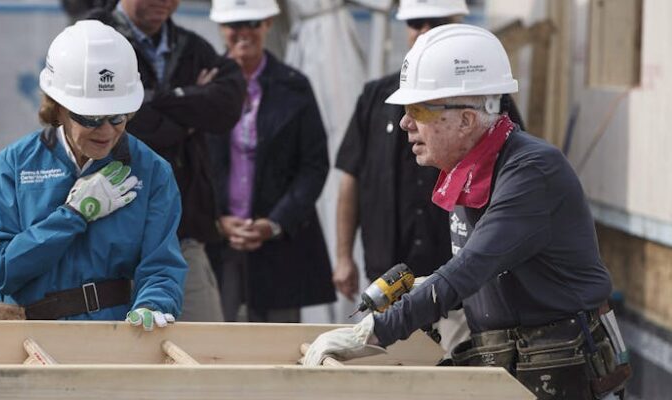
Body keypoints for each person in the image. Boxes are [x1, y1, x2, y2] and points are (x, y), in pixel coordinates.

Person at [304, 24, 630, 400]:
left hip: (564, 375)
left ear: (466, 119)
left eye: (418, 109)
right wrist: (427, 289)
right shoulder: (470, 171)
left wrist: (372, 332)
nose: (406, 123)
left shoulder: (532, 172)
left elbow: (470, 268)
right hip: (514, 367)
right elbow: (485, 274)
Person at [334, 0, 523, 354]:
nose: (424, 31)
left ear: (473, 117)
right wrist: (343, 256)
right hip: (393, 275)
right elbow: (351, 177)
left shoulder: (513, 147)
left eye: (434, 21)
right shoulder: (376, 97)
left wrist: (375, 330)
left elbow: (476, 259)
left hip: (457, 290)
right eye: (416, 22)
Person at [0, 20, 186, 331]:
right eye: (91, 118)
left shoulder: (152, 171)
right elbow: (0, 270)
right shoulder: (15, 163)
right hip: (24, 333)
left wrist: (152, 303)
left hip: (111, 335)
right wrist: (73, 215)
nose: (106, 131)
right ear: (58, 106)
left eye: (118, 116)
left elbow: (161, 266)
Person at [90, 0, 247, 322]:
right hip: (107, 237)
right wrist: (189, 111)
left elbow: (228, 105)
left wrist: (156, 101)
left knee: (209, 354)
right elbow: (112, 123)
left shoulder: (190, 45)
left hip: (183, 235)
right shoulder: (92, 38)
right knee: (115, 353)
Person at [205, 0, 335, 323]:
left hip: (281, 245)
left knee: (280, 349)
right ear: (221, 28)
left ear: (267, 24)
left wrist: (275, 222)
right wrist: (215, 220)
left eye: (252, 22)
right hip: (216, 244)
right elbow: (189, 164)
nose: (243, 32)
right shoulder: (203, 84)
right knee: (212, 344)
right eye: (235, 24)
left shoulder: (295, 85)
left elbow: (314, 164)